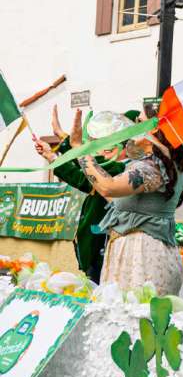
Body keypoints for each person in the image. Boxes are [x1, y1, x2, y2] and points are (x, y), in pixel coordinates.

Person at [76, 112, 183, 295]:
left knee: (137, 316)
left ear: (155, 130)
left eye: (139, 122)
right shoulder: (157, 163)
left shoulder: (153, 167)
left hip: (142, 255)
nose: (133, 126)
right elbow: (117, 199)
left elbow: (107, 187)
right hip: (134, 251)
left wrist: (80, 149)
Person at [33, 105, 138, 283]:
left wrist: (62, 147)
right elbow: (85, 164)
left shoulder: (122, 167)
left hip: (104, 246)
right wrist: (55, 151)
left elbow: (84, 175)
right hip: (95, 245)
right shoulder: (117, 166)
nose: (102, 148)